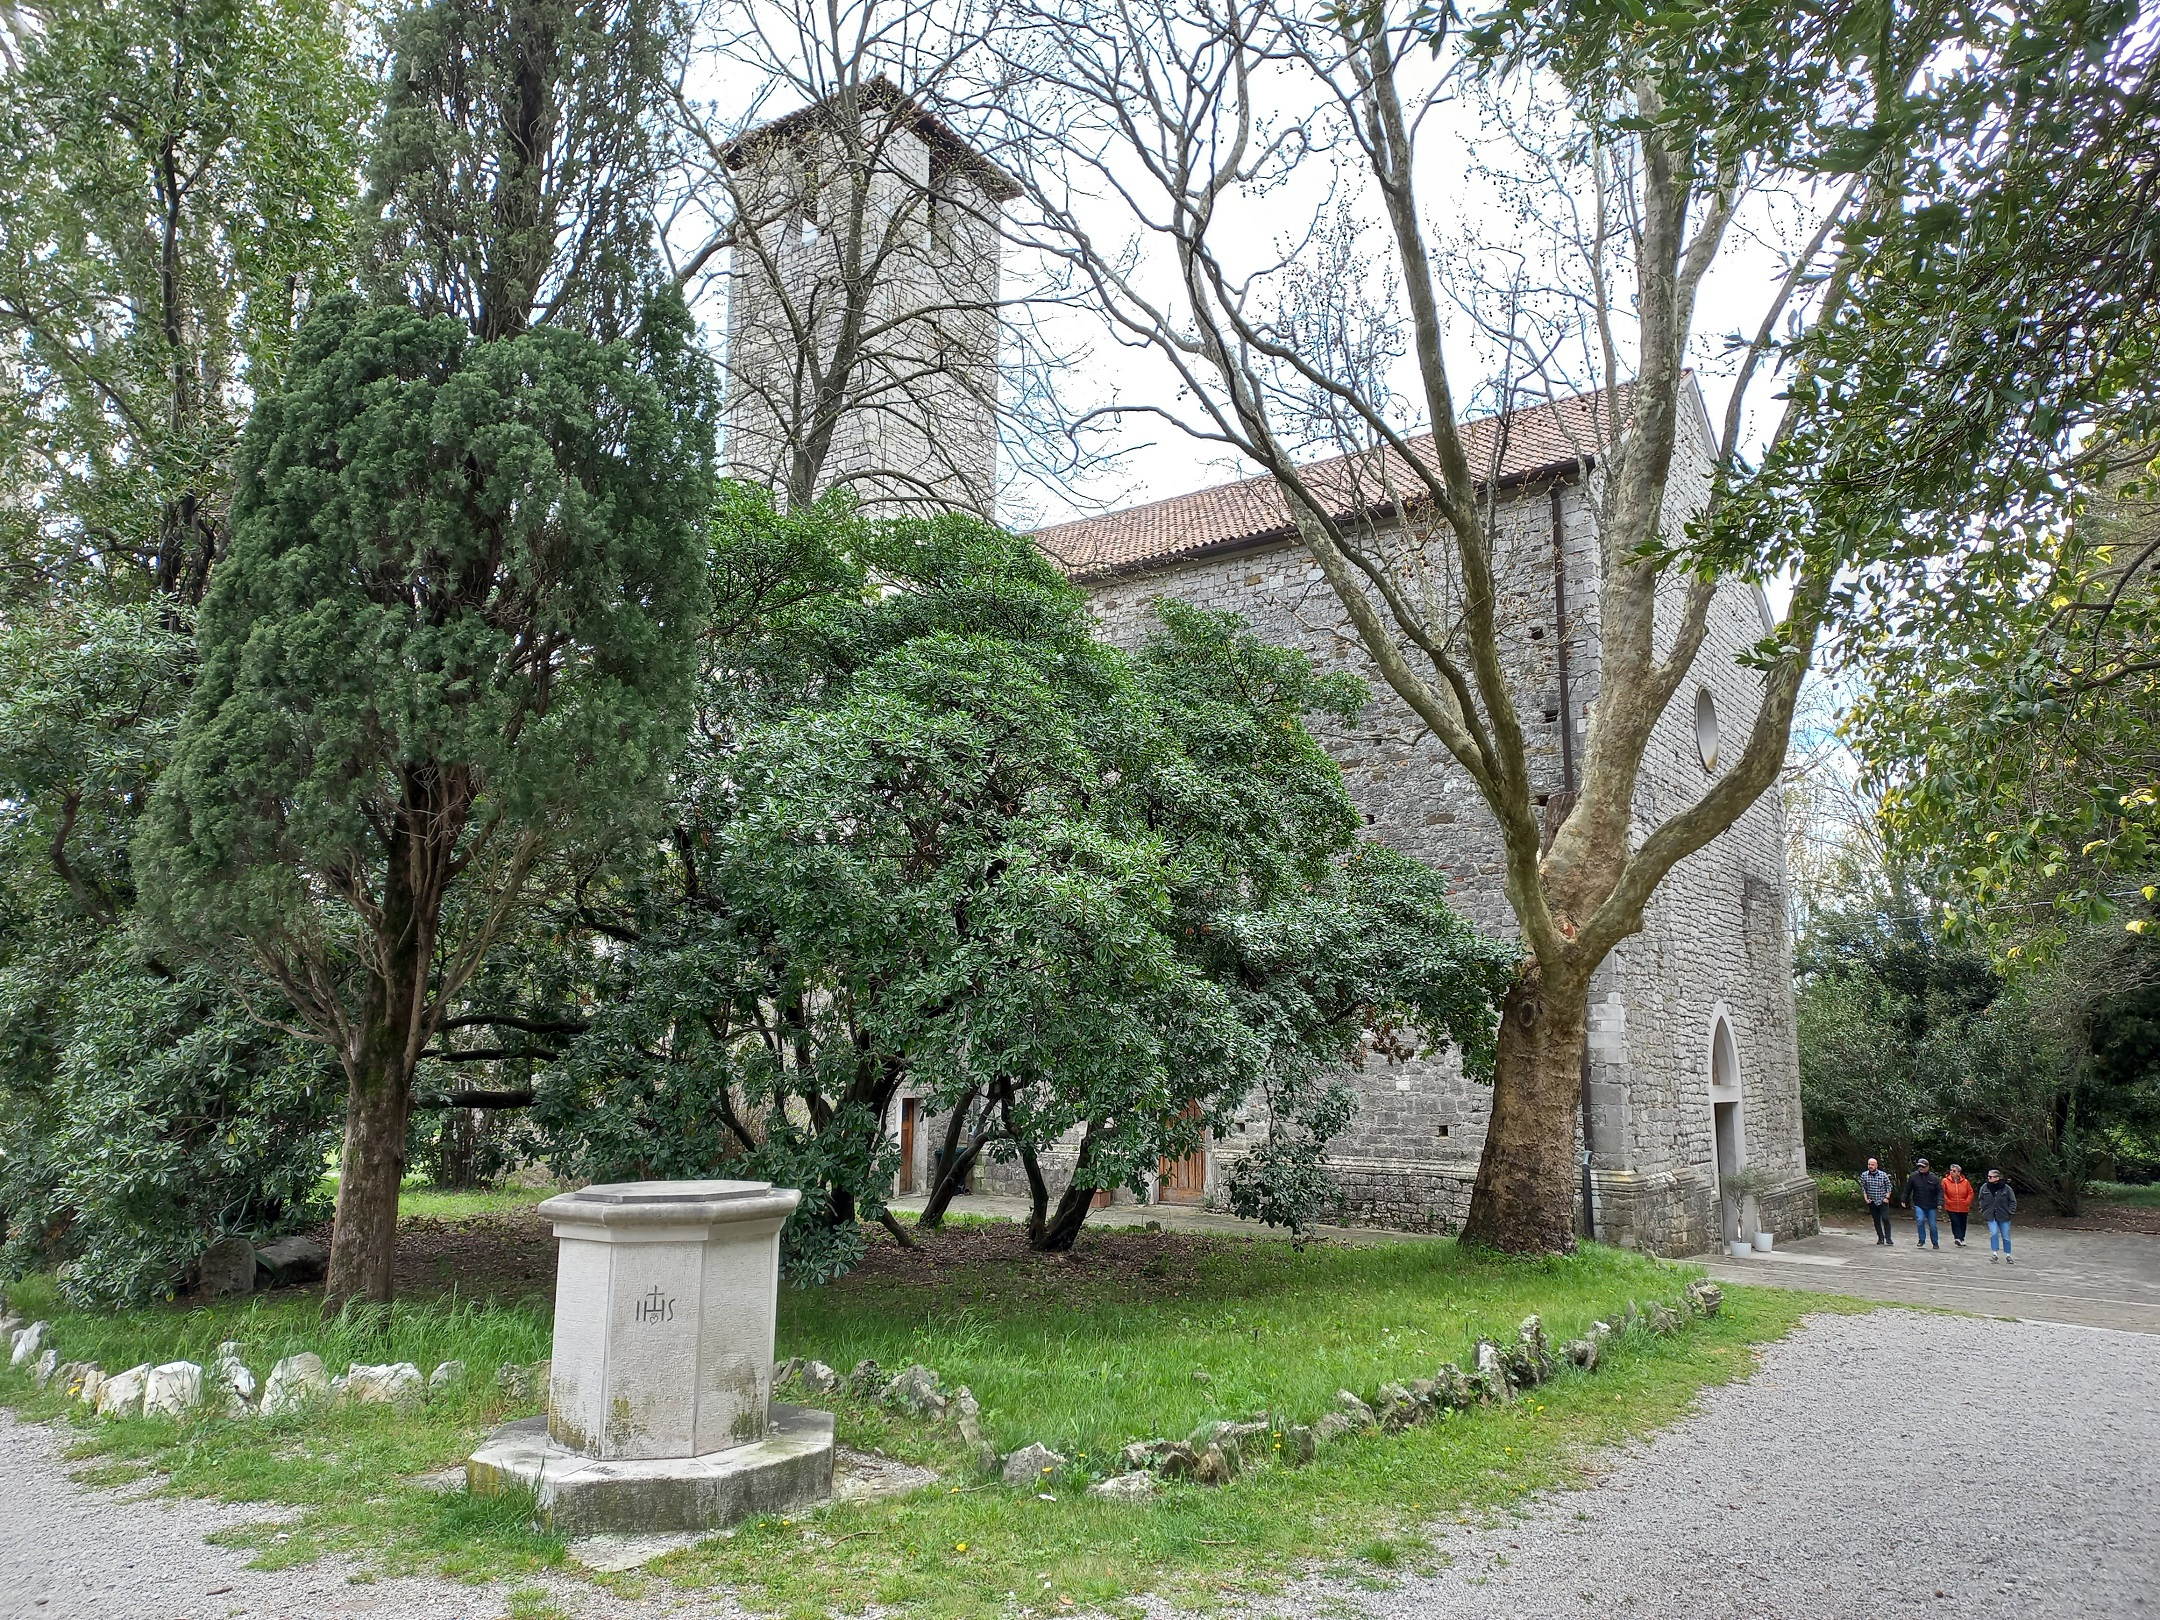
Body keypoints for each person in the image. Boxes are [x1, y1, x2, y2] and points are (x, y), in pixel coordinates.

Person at [1978, 1168, 2017, 1264]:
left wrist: (2010, 1212)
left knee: (2006, 1236)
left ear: (1997, 1178)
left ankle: (2008, 1255)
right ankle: (1994, 1253)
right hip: (1991, 1215)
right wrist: (1983, 1210)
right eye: (1988, 1176)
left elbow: (2013, 1201)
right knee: (1994, 1233)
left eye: (1990, 1176)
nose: (1988, 1178)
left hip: (2004, 1216)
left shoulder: (2007, 1188)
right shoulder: (1985, 1187)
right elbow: (1981, 1199)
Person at [1906, 1157, 1944, 1250]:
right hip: (1919, 1203)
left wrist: (1940, 1203)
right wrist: (1904, 1199)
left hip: (1931, 1205)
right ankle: (1921, 1240)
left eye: (1923, 1166)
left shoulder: (1934, 1178)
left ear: (1928, 1167)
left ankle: (1935, 1242)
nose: (1921, 1168)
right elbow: (1907, 1189)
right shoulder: (1913, 1177)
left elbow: (1939, 1191)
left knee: (1933, 1225)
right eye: (1919, 1166)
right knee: (1920, 1221)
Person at [1860, 1156, 1895, 1245]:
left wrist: (1887, 1198)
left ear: (1876, 1165)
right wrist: (1866, 1199)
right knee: (1876, 1220)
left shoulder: (1883, 1175)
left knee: (1885, 1218)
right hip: (1872, 1201)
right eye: (1869, 1164)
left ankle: (1888, 1238)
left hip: (1882, 1200)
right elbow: (1863, 1188)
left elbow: (1889, 1187)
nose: (1870, 1166)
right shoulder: (1864, 1175)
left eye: (1872, 1164)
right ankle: (1880, 1238)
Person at [1940, 1163, 1976, 1247]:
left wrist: (1967, 1202)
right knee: (1955, 1221)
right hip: (1951, 1206)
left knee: (1962, 1222)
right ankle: (1957, 1237)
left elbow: (1970, 1193)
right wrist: (1947, 1201)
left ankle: (1962, 1238)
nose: (1951, 1172)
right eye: (1951, 1170)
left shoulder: (1966, 1182)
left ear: (1959, 1173)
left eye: (1954, 1171)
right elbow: (1942, 1192)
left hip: (1963, 1206)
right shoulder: (1945, 1181)